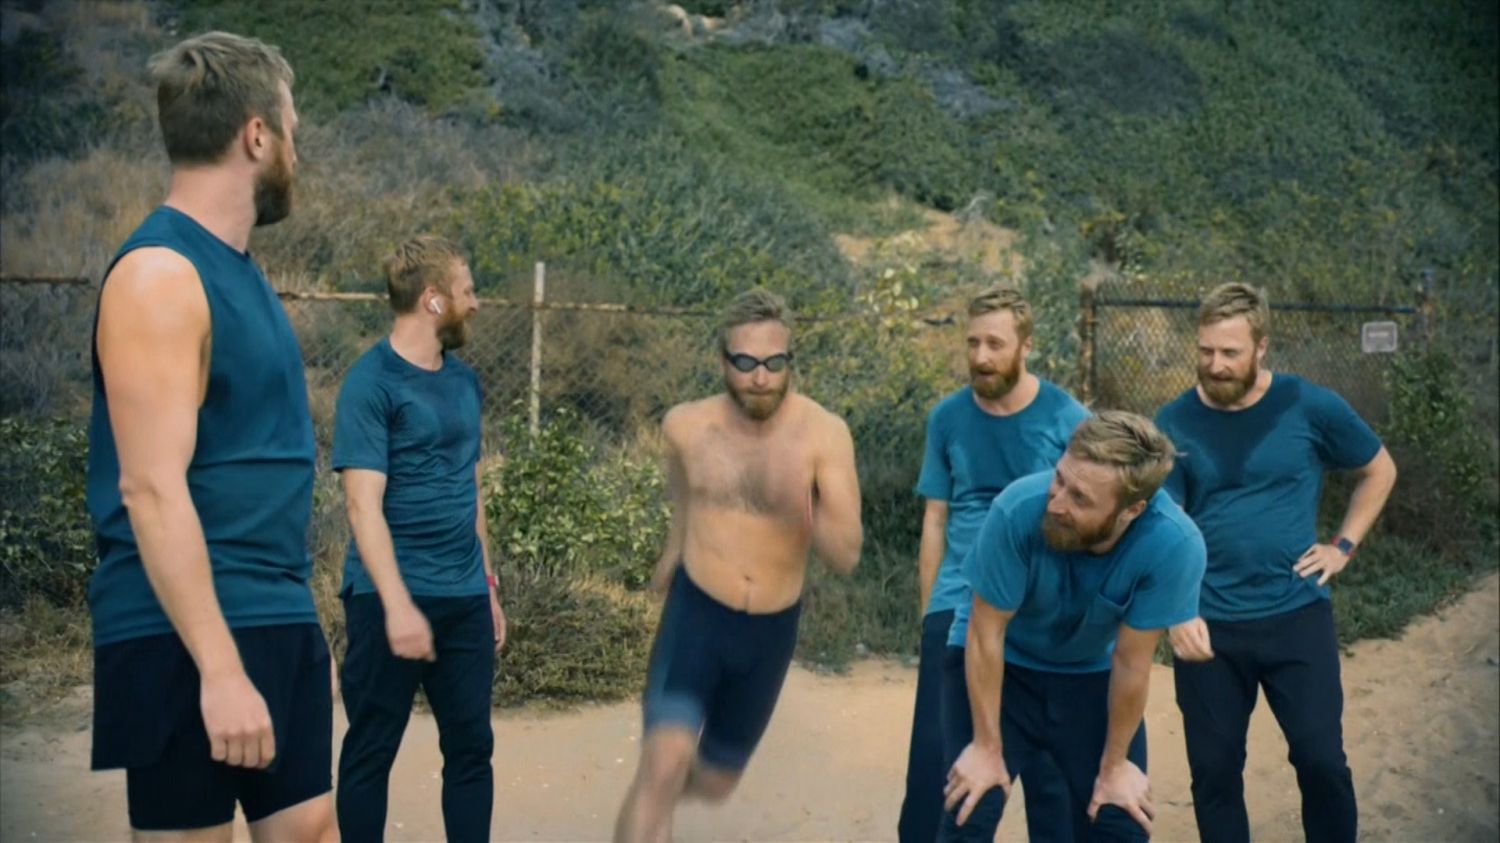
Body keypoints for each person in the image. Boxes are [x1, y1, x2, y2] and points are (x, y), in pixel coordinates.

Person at [85, 31, 336, 841]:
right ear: (257, 135)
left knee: (310, 826)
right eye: (292, 130)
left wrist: (298, 628)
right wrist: (220, 668)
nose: (296, 150)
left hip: (272, 606)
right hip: (181, 632)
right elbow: (150, 488)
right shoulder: (160, 275)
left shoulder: (240, 270)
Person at [613, 287, 864, 843]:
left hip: (770, 631)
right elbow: (686, 493)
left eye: (775, 363)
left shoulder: (824, 435)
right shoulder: (686, 427)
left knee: (716, 781)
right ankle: (655, 797)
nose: (761, 378)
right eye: (746, 363)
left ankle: (661, 794)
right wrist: (673, 553)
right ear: (722, 361)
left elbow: (847, 553)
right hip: (697, 614)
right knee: (664, 762)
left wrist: (807, 512)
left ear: (791, 361)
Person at [1156, 283, 1397, 843]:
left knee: (1321, 760)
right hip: (1209, 625)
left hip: (1296, 614)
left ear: (1261, 347)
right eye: (1206, 351)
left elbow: (1379, 469)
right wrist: (1174, 610)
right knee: (1214, 773)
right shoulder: (1173, 421)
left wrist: (1342, 547)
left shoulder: (1307, 405)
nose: (1215, 365)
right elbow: (1162, 527)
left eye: (1230, 352)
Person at [942, 412, 1206, 843]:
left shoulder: (1173, 544)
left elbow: (1131, 662)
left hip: (1090, 675)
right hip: (1002, 663)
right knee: (970, 806)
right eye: (1060, 478)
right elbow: (985, 632)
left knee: (1120, 819)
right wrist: (987, 748)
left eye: (1080, 498)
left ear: (1132, 510)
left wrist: (1114, 766)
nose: (1057, 503)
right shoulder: (1017, 510)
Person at [331, 236, 506, 842]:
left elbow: (470, 486)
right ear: (433, 300)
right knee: (370, 751)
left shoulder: (464, 382)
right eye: (466, 291)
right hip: (388, 598)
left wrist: (487, 585)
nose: (475, 303)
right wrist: (398, 605)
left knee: (471, 750)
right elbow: (362, 506)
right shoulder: (370, 382)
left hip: (463, 598)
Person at [902, 287, 1083, 843]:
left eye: (995, 344)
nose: (980, 357)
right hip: (958, 607)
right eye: (973, 342)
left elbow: (1091, 516)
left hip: (1040, 613)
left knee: (1052, 781)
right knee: (938, 771)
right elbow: (936, 519)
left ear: (1026, 346)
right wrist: (932, 615)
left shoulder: (1068, 417)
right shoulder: (947, 417)